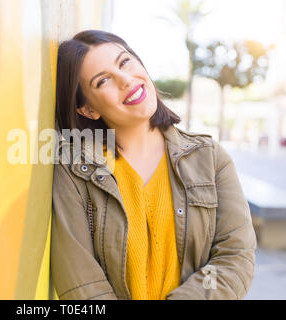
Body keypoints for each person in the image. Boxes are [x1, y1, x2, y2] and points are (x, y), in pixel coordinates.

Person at [50, 30, 257, 300]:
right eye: (103, 81)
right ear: (88, 110)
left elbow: (235, 257)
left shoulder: (211, 158)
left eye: (124, 62)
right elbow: (82, 285)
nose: (126, 80)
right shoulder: (74, 173)